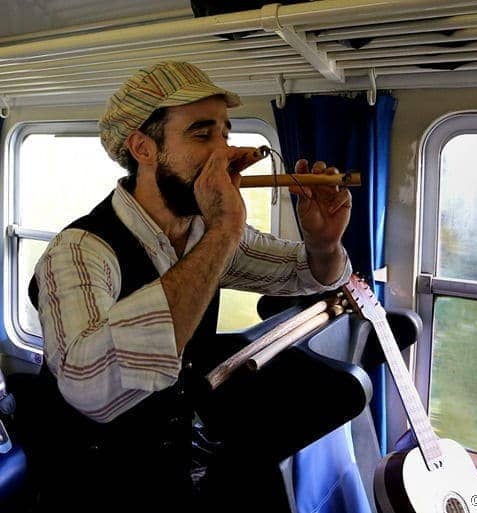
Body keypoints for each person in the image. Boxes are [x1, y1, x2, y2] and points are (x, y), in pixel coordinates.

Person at [25, 61, 352, 511]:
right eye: (202, 134)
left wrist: (323, 242)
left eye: (225, 133)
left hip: (168, 465)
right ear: (143, 148)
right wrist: (225, 228)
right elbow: (91, 387)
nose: (224, 152)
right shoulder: (79, 251)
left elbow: (310, 273)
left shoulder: (202, 233)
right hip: (91, 481)